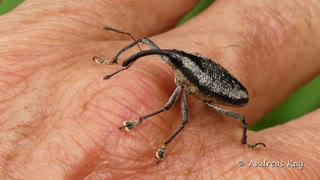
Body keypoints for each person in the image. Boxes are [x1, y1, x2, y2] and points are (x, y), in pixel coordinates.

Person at [0, 0, 319, 179]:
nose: (161, 58)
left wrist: (146, 128)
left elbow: (176, 116)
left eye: (171, 59)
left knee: (182, 115)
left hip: (226, 93)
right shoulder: (177, 63)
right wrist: (119, 62)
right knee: (146, 46)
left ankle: (240, 144)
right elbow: (147, 46)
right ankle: (114, 61)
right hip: (198, 70)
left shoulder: (188, 84)